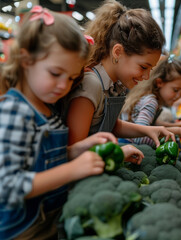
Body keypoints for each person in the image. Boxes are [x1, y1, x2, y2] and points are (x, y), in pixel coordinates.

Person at [0, 7, 143, 240]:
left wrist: (81, 149)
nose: (63, 86)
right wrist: (72, 170)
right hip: (22, 230)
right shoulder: (15, 112)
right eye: (55, 73)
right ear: (26, 60)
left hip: (50, 219)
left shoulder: (47, 109)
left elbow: (45, 159)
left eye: (70, 77)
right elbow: (8, 186)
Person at [65, 0, 175, 147]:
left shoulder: (114, 84)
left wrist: (150, 130)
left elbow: (111, 125)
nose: (147, 76)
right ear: (118, 52)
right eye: (143, 67)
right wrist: (118, 154)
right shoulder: (91, 84)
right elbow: (74, 149)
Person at [121, 56, 181, 147]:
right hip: (128, 145)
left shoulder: (150, 97)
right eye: (176, 90)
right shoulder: (151, 102)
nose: (179, 96)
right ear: (159, 83)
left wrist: (177, 125)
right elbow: (140, 138)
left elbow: (152, 123)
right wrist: (178, 132)